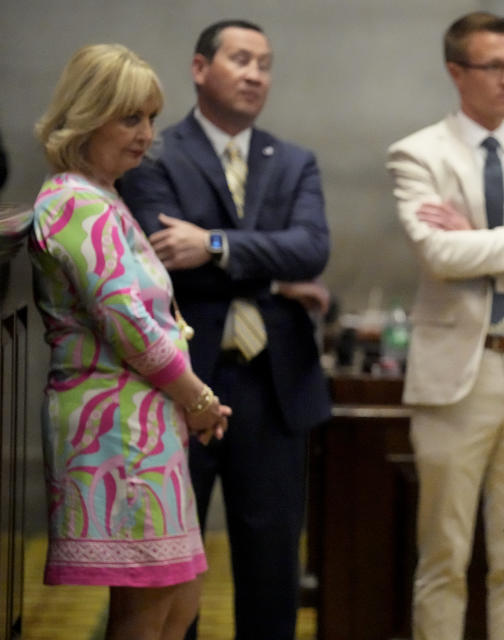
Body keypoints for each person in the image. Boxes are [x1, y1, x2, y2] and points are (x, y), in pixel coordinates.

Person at [118, 19, 331, 639]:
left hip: (273, 387)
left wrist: (212, 244)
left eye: (265, 63)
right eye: (240, 59)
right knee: (171, 567)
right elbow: (161, 255)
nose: (255, 74)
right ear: (199, 67)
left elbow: (311, 249)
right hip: (180, 384)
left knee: (271, 570)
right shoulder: (154, 152)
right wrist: (268, 266)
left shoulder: (292, 161)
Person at [30, 43, 230, 640]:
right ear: (87, 115)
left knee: (181, 596)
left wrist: (188, 402)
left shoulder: (104, 195)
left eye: (149, 118)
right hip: (114, 428)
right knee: (146, 609)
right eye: (129, 117)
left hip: (146, 422)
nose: (146, 134)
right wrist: (197, 398)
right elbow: (130, 324)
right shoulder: (73, 200)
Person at [386, 11, 504, 639]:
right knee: (442, 557)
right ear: (457, 72)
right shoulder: (418, 153)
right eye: (495, 66)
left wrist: (482, 244)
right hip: (454, 375)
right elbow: (438, 255)